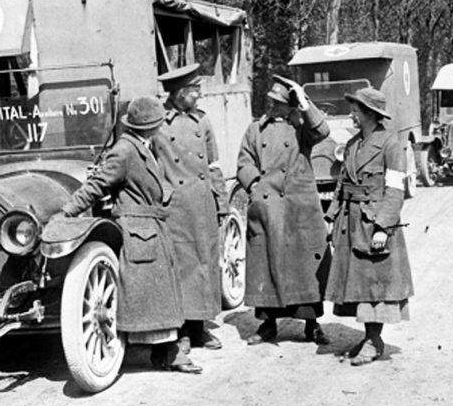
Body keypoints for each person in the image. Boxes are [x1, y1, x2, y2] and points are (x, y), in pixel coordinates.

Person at [57, 96, 201, 374]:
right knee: (151, 294)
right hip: (138, 228)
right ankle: (168, 354)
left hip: (149, 226)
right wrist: (67, 213)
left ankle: (165, 352)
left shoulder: (142, 147)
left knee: (160, 295)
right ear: (150, 127)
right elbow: (97, 185)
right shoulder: (124, 151)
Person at [236, 75, 331, 346]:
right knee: (267, 263)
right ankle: (268, 325)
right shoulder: (255, 130)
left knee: (304, 265)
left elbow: (323, 132)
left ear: (289, 107)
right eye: (269, 101)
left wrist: (304, 101)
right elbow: (244, 162)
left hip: (298, 206)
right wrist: (256, 186)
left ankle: (312, 325)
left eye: (277, 103)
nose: (270, 106)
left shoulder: (301, 128)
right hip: (268, 206)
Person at [325, 87, 414, 366]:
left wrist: (382, 228)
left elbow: (396, 190)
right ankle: (369, 338)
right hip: (350, 224)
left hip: (373, 222)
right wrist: (331, 218)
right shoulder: (352, 145)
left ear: (370, 114)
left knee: (375, 286)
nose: (351, 114)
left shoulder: (391, 144)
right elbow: (341, 186)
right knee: (360, 285)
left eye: (356, 110)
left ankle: (375, 342)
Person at [153, 62, 228, 352]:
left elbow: (213, 165)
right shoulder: (157, 123)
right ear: (180, 92)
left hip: (202, 203)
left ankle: (200, 329)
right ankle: (182, 331)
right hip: (176, 207)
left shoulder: (203, 121)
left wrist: (221, 202)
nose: (198, 96)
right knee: (181, 267)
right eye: (194, 91)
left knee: (204, 264)